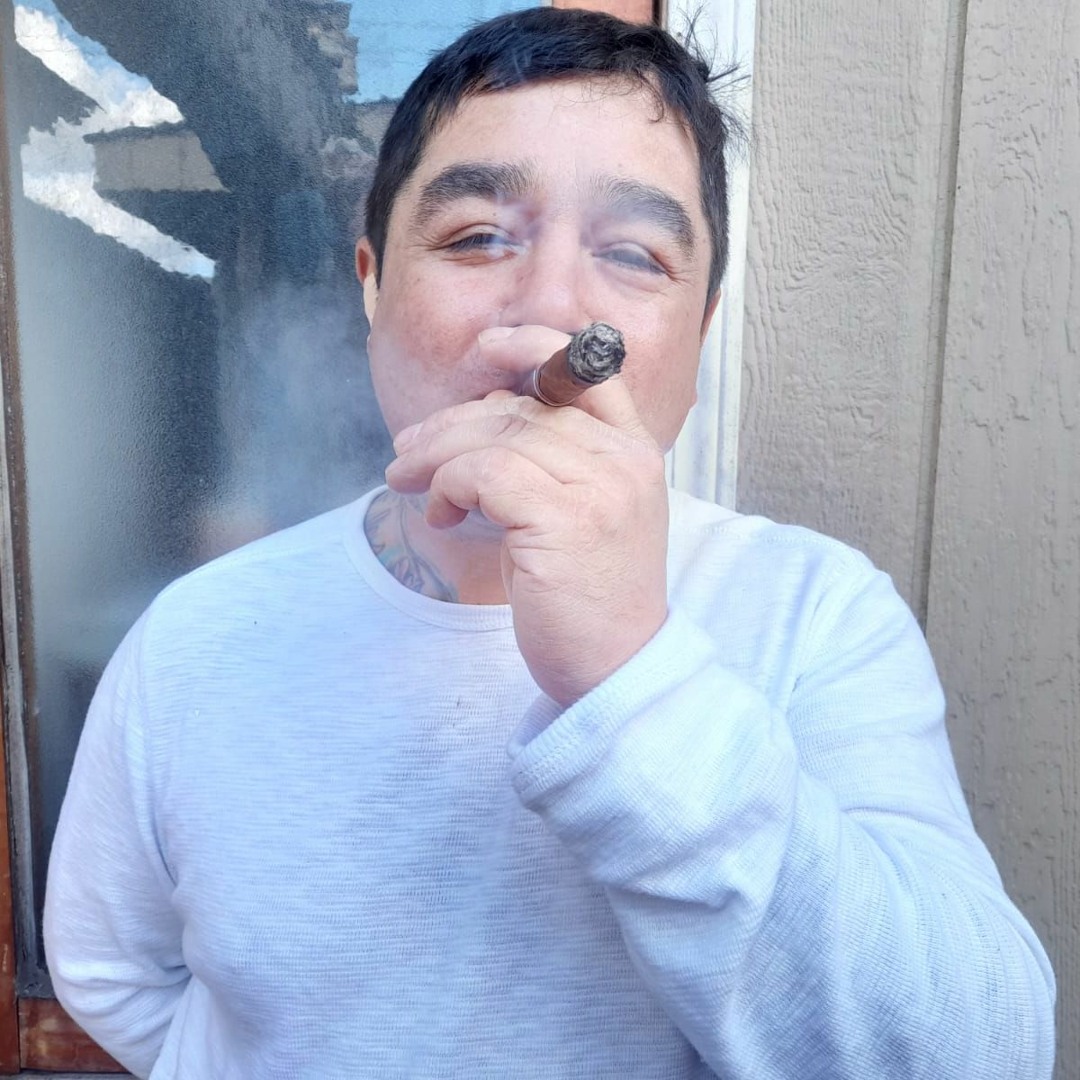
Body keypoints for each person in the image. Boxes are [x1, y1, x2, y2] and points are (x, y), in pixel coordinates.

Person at [44, 8, 1054, 1079]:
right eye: (476, 236)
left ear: (702, 329)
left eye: (633, 254)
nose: (554, 309)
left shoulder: (817, 615)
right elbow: (114, 976)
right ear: (372, 282)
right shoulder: (198, 638)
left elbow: (978, 1057)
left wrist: (633, 675)